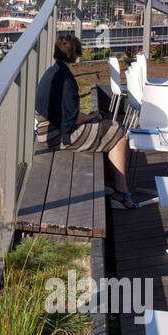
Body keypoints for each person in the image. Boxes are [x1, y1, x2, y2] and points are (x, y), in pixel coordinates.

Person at [34, 33, 138, 208]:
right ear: (76, 55)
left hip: (46, 130)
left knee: (107, 129)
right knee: (118, 133)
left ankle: (111, 184)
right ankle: (122, 193)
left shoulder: (52, 72)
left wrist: (88, 118)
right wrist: (90, 116)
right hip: (59, 136)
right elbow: (74, 119)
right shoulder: (67, 80)